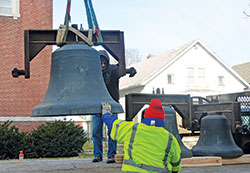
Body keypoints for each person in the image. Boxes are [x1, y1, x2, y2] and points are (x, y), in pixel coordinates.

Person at [101, 99, 182, 173]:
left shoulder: (131, 128)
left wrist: (105, 113)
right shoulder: (170, 138)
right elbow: (176, 165)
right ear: (162, 119)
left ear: (146, 116)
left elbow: (112, 123)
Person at [92, 50, 121, 164]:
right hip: (97, 105)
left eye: (104, 62)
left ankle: (111, 155)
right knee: (96, 131)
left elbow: (122, 71)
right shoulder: (93, 73)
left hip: (112, 104)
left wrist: (129, 70)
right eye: (100, 63)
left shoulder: (113, 70)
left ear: (108, 62)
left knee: (112, 131)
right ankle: (97, 155)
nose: (103, 65)